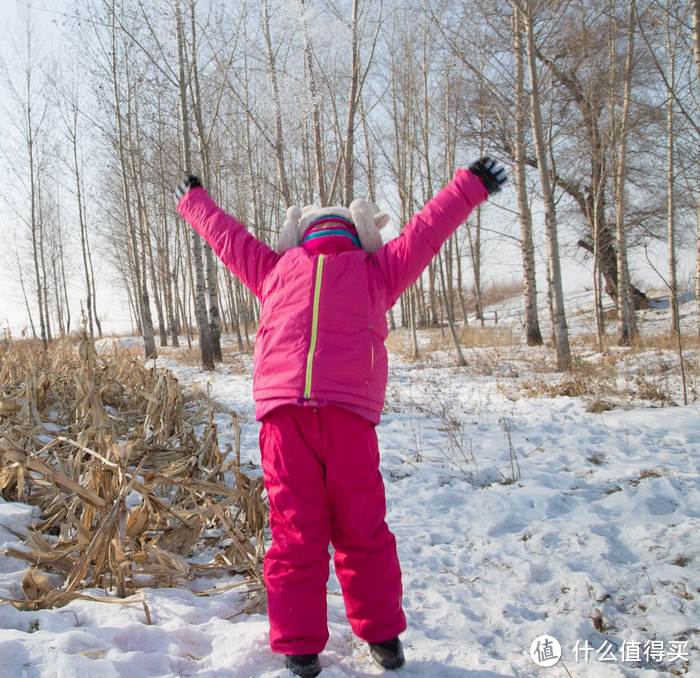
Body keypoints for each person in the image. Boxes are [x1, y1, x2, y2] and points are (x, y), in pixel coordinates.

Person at [175, 158, 507, 676]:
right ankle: (383, 638)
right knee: (362, 528)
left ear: (300, 237)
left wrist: (195, 200)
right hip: (348, 416)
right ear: (359, 234)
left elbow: (229, 239)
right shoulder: (378, 268)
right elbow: (426, 231)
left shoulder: (275, 268)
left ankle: (300, 647)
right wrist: (470, 185)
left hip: (284, 418)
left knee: (295, 531)